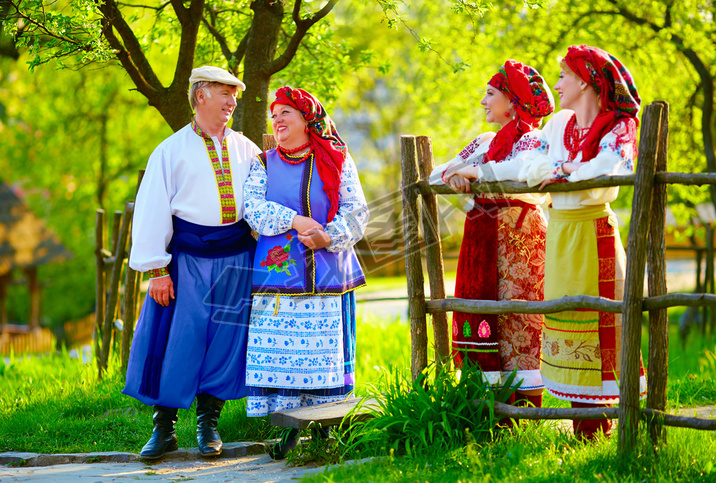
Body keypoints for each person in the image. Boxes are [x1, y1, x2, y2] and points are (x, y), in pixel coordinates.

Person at [123, 66, 261, 458]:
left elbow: (262, 205)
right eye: (225, 94)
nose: (233, 102)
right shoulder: (170, 151)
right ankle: (163, 429)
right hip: (187, 262)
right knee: (177, 341)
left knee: (225, 340)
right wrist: (157, 270)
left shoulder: (247, 148)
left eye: (235, 96)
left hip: (236, 257)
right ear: (201, 96)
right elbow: (151, 211)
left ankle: (208, 426)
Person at [518, 45, 647, 440]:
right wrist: (566, 168)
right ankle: (585, 428)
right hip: (560, 231)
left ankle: (604, 427)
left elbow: (608, 171)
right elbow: (529, 165)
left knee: (602, 324)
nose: (555, 85)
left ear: (586, 81)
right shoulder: (558, 124)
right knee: (568, 319)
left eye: (562, 76)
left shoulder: (619, 128)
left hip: (594, 234)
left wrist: (565, 171)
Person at [243, 86, 368, 459]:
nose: (277, 119)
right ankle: (287, 431)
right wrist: (296, 221)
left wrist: (327, 236)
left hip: (328, 274)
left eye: (286, 113)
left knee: (324, 355)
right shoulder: (262, 164)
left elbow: (357, 212)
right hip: (278, 276)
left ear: (307, 120)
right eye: (275, 113)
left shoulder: (338, 161)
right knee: (283, 358)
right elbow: (253, 208)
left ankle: (327, 430)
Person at [429, 60, 554, 413]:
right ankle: (483, 409)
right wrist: (458, 175)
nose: (483, 101)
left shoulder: (534, 139)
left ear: (512, 101)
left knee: (519, 318)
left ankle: (524, 413)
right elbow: (440, 172)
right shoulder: (486, 141)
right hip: (481, 238)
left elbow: (519, 171)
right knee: (484, 313)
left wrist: (474, 172)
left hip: (519, 239)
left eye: (490, 94)